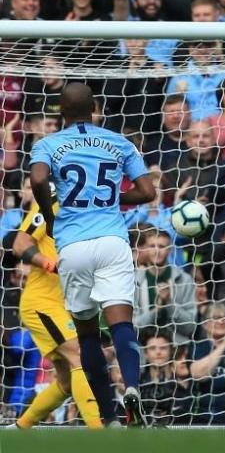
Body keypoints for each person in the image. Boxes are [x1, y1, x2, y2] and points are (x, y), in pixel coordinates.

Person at [29, 82, 156, 427]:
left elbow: (39, 179)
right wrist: (113, 199)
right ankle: (131, 386)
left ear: (61, 110)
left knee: (87, 335)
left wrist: (52, 214)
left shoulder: (48, 144)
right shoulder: (119, 142)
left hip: (73, 245)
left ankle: (110, 418)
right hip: (112, 241)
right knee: (121, 324)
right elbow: (147, 192)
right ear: (95, 108)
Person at [8, 194, 102, 429]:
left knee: (66, 382)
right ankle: (99, 432)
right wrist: (52, 265)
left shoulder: (95, 211)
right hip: (42, 302)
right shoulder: (50, 202)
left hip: (66, 305)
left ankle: (18, 430)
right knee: (80, 356)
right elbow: (20, 244)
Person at [133, 229, 196, 344]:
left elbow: (190, 327)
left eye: (161, 246)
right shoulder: (133, 282)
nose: (157, 251)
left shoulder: (184, 280)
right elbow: (132, 327)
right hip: (143, 351)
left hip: (177, 350)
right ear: (145, 249)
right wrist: (156, 310)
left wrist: (168, 303)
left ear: (170, 250)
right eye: (152, 246)